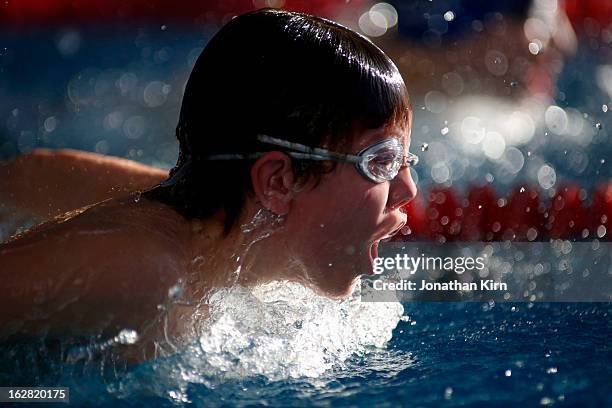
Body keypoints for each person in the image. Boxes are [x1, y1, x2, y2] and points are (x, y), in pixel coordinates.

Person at [0, 8, 417, 359]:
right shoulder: (148, 274)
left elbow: (33, 173)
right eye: (382, 162)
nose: (409, 191)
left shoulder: (210, 216)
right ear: (277, 181)